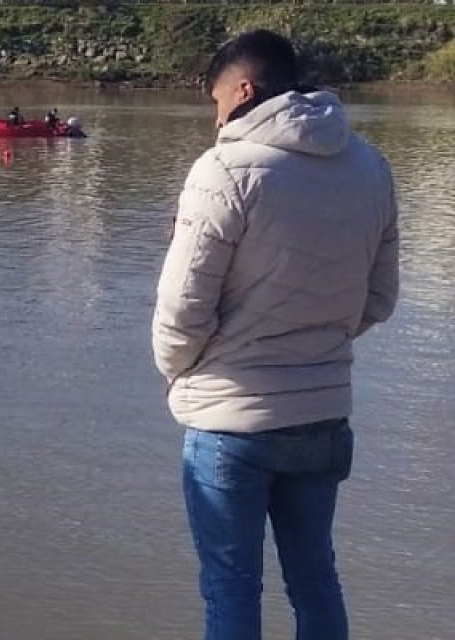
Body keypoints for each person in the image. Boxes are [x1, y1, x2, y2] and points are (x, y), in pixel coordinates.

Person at [153, 29, 399, 640]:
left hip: (232, 423)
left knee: (231, 588)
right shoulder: (370, 165)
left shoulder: (224, 169)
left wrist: (183, 371)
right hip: (323, 417)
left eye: (214, 102)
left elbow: (182, 311)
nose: (215, 119)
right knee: (316, 581)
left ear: (243, 90)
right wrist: (316, 347)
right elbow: (378, 299)